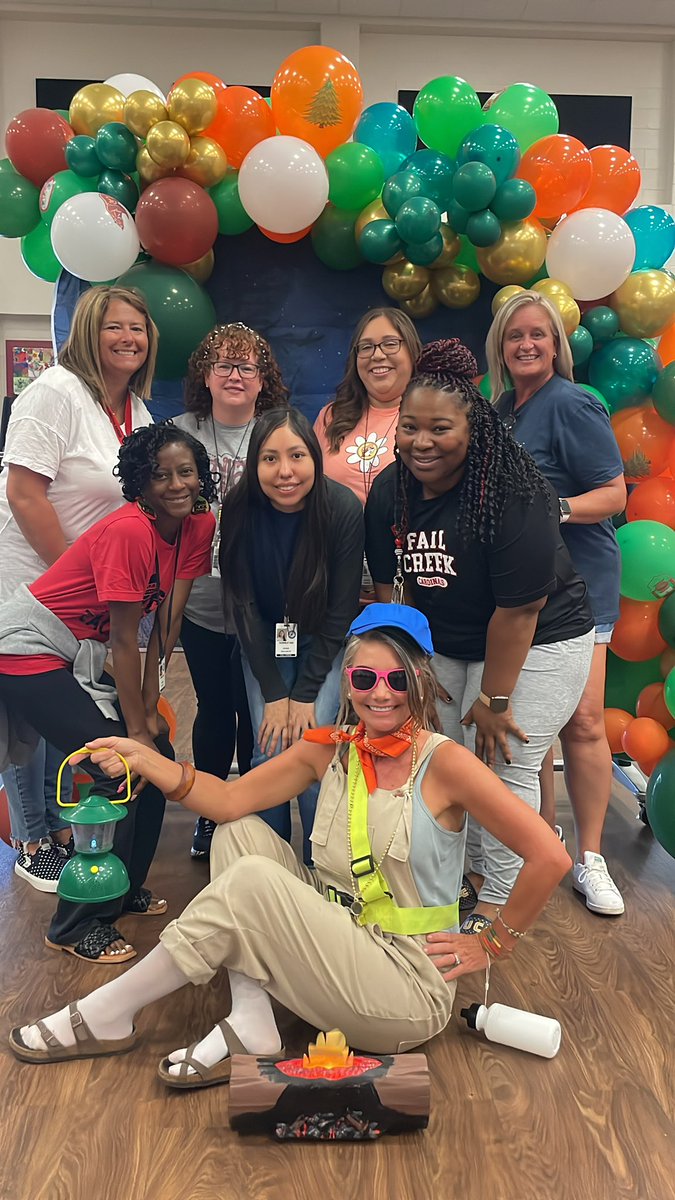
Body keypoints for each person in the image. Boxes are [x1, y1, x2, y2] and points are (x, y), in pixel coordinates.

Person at [8, 604, 571, 1083]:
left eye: (398, 679)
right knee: (238, 834)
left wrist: (492, 944)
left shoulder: (444, 762)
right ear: (347, 682)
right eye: (365, 679)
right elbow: (228, 802)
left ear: (421, 683)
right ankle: (253, 1016)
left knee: (251, 882)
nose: (381, 693)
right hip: (338, 931)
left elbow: (549, 854)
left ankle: (107, 1012)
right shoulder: (328, 748)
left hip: (404, 986)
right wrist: (150, 761)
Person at [365, 340, 595, 931]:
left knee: (503, 762)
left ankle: (498, 906)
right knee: (444, 758)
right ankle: (465, 878)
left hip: (540, 638)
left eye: (440, 428)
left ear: (475, 429)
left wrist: (493, 702)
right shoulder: (391, 491)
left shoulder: (515, 493)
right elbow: (394, 590)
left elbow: (518, 613)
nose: (421, 442)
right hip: (447, 640)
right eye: (410, 427)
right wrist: (409, 665)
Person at [0, 424, 216, 963]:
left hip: (81, 651)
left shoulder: (196, 527)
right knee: (114, 766)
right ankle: (75, 924)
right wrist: (135, 729)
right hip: (28, 644)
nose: (174, 484)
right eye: (158, 475)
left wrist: (150, 719)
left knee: (156, 757)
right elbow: (123, 639)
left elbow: (160, 622)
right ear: (137, 484)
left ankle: (121, 888)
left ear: (201, 476)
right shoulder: (129, 531)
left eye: (185, 472)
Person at [0, 285, 157, 892]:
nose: (127, 339)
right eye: (114, 327)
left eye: (138, 330)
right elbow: (25, 493)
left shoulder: (135, 410)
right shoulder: (55, 392)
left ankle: (66, 832)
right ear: (88, 332)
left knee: (64, 718)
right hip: (31, 580)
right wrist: (73, 576)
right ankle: (34, 839)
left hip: (84, 595)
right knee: (29, 718)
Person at [486, 291, 626, 917]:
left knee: (585, 723)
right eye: (515, 336)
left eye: (538, 335)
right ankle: (548, 839)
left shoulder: (571, 403)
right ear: (500, 346)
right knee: (532, 728)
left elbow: (615, 493)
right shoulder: (499, 410)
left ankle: (590, 857)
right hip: (523, 590)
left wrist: (554, 511)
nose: (526, 346)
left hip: (582, 587)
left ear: (556, 344)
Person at [218, 407, 363, 864]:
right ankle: (272, 868)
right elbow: (242, 606)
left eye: (296, 455)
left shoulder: (340, 507)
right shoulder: (240, 508)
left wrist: (302, 694)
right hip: (264, 642)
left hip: (325, 641)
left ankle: (321, 870)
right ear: (254, 464)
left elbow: (340, 610)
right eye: (270, 458)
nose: (285, 472)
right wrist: (275, 691)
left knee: (316, 747)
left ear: (315, 457)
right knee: (269, 747)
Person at [174, 323, 289, 861]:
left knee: (258, 710)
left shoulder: (280, 432)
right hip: (201, 605)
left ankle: (251, 814)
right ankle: (210, 813)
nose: (235, 375)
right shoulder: (181, 433)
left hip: (265, 607)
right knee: (216, 709)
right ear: (205, 373)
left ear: (264, 378)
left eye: (247, 366)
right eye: (224, 364)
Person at [314, 307, 421, 506]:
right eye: (365, 347)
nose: (377, 355)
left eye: (390, 344)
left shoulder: (429, 418)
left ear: (412, 351)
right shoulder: (330, 416)